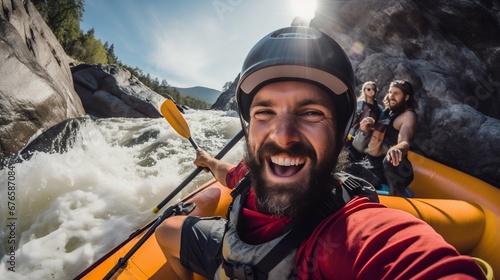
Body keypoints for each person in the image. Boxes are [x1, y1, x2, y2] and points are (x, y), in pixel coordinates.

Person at [155, 26, 485, 279]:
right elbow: (228, 173)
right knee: (166, 231)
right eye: (264, 113)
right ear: (249, 126)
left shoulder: (353, 233)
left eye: (311, 113)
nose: (283, 137)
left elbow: (406, 257)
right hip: (229, 253)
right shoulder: (249, 175)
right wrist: (206, 161)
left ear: (341, 132)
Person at [349, 80, 417, 197]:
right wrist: (365, 131)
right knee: (342, 166)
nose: (391, 96)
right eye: (390, 92)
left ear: (406, 97)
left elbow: (404, 141)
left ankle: (396, 197)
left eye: (396, 93)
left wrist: (397, 149)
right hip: (370, 163)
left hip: (391, 167)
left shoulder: (408, 116)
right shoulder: (385, 112)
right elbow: (362, 146)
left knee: (390, 160)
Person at [346, 81, 383, 161]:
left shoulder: (379, 109)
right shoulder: (357, 103)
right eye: (368, 89)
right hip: (350, 135)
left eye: (373, 89)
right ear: (364, 90)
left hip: (366, 139)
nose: (371, 91)